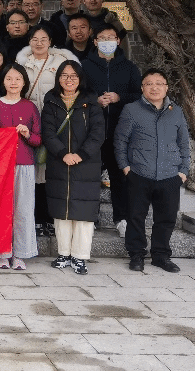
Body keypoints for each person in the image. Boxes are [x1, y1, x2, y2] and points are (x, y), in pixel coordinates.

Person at [114, 69, 191, 274]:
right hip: (139, 173)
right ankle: (136, 255)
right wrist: (126, 167)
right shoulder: (131, 110)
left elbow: (184, 143)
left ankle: (161, 256)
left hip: (170, 175)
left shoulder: (176, 111)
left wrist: (183, 170)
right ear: (142, 88)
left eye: (159, 83)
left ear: (166, 87)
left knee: (166, 219)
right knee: (135, 217)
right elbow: (120, 141)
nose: (154, 88)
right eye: (149, 84)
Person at [42, 60, 105, 275]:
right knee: (61, 212)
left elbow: (98, 133)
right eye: (64, 75)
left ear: (80, 79)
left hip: (86, 164)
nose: (69, 80)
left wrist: (80, 155)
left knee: (84, 214)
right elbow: (48, 132)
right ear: (58, 78)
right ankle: (63, 253)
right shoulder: (51, 101)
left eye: (73, 76)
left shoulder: (91, 102)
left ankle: (79, 256)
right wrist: (63, 153)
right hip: (59, 163)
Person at [17, 24, 79, 237]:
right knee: (34, 171)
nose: (39, 43)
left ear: (50, 42)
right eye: (35, 39)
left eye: (44, 39)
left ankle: (52, 218)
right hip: (30, 123)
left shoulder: (60, 62)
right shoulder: (22, 63)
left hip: (56, 122)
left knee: (52, 171)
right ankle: (36, 218)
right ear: (29, 42)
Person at [82, 24, 143, 238]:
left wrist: (119, 98)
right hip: (92, 132)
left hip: (121, 132)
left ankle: (122, 219)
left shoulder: (129, 68)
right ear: (95, 41)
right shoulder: (84, 66)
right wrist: (95, 100)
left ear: (118, 41)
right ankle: (90, 217)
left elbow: (139, 96)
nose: (107, 41)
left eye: (111, 37)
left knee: (120, 177)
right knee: (90, 176)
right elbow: (77, 94)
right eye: (102, 37)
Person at [0, 63, 41, 270]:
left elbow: (38, 139)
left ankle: (20, 253)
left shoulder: (30, 107)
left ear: (24, 82)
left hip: (24, 163)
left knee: (23, 210)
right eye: (9, 78)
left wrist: (27, 134)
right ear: (3, 81)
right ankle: (2, 252)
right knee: (1, 210)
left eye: (18, 79)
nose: (13, 82)